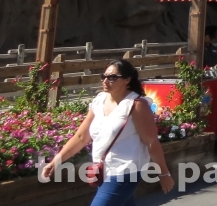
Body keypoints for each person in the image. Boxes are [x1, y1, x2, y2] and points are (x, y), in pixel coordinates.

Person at [41, 59, 173, 204]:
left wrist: (164, 174)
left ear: (127, 80)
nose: (105, 81)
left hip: (125, 171)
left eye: (112, 77)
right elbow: (81, 137)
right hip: (103, 170)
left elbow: (151, 142)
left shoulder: (136, 105)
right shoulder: (99, 101)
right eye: (103, 76)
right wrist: (55, 162)